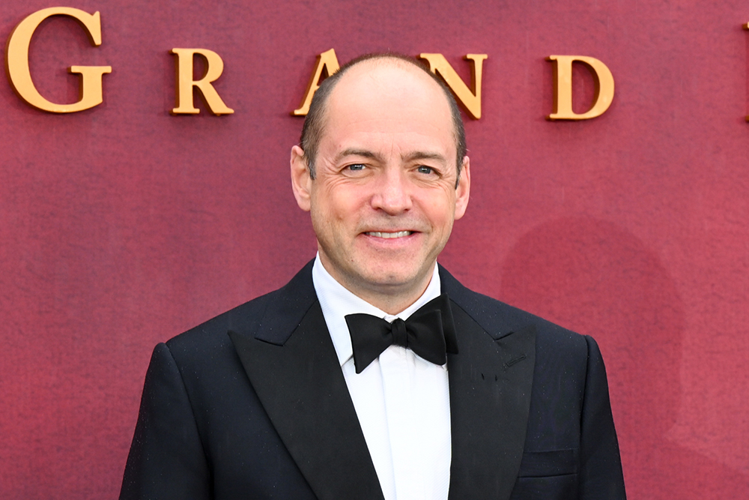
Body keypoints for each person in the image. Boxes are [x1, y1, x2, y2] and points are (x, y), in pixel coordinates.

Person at [120, 53, 626, 500]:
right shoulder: (197, 377)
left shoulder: (565, 367)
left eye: (424, 169)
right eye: (358, 166)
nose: (392, 199)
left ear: (460, 187)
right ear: (303, 177)